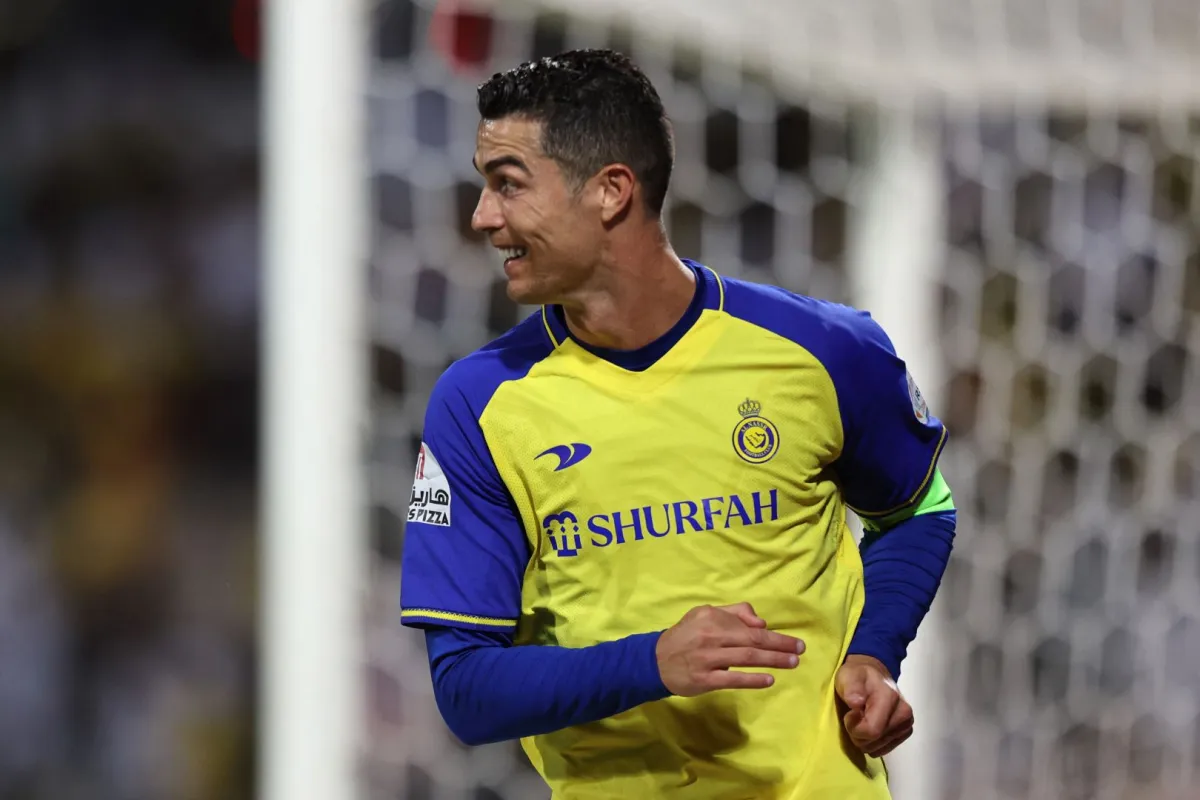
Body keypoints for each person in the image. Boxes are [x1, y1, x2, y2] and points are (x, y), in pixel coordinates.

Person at [400, 49, 957, 798]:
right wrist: (653, 662)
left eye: (507, 184)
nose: (482, 216)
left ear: (610, 191)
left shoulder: (825, 351)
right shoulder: (479, 403)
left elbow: (921, 510)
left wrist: (874, 653)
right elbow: (465, 688)